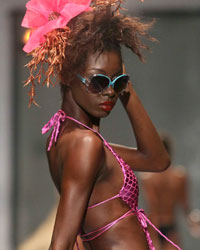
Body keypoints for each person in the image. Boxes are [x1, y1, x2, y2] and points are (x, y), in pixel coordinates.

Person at [21, 0, 182, 249]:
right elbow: (61, 242)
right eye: (98, 81)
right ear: (66, 75)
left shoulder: (68, 138)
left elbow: (157, 160)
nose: (110, 93)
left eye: (118, 82)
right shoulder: (85, 144)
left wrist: (125, 87)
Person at [140, 133, 200, 250]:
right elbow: (185, 207)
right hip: (171, 227)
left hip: (154, 227)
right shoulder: (180, 176)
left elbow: (152, 206)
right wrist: (193, 221)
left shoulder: (147, 178)